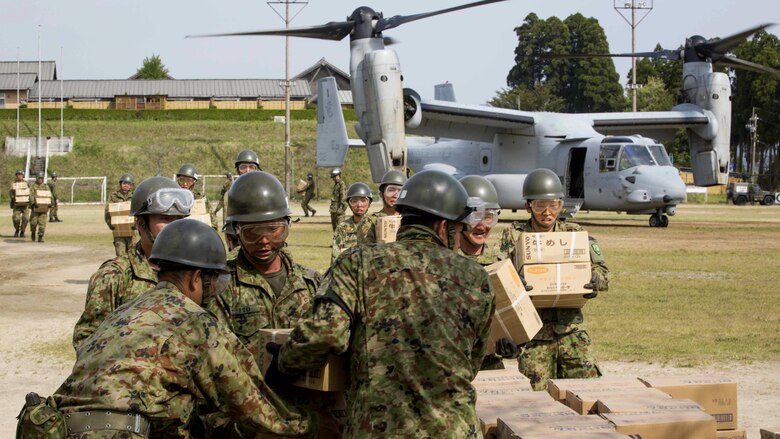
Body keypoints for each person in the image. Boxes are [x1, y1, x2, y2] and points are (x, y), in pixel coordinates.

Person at [269, 169, 495, 437]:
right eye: (459, 230)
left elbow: (325, 333)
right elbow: (471, 363)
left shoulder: (357, 262)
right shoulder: (476, 277)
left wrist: (282, 365)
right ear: (443, 227)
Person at [38, 219, 314, 438]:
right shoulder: (196, 323)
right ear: (197, 278)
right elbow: (252, 406)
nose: (214, 292)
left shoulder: (124, 313)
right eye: (215, 282)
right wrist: (308, 426)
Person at [497, 168, 609, 391]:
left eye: (553, 205)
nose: (547, 212)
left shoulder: (574, 233)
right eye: (539, 205)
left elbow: (602, 270)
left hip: (571, 331)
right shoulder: (515, 234)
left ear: (561, 205)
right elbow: (500, 273)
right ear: (527, 206)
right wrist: (515, 282)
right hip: (534, 334)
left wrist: (596, 279)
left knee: (586, 393)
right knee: (535, 398)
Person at [206, 171, 321, 368]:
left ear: (286, 225)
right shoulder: (222, 285)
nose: (265, 241)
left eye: (273, 230)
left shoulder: (312, 283)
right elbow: (215, 355)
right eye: (253, 233)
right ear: (237, 230)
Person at [72, 176, 193, 350]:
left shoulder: (194, 273)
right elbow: (87, 342)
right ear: (140, 223)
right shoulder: (114, 277)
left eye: (179, 219)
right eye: (165, 219)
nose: (174, 227)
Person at [457, 175, 514, 371]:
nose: (482, 226)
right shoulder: (443, 263)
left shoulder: (502, 265)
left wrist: (514, 345)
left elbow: (513, 317)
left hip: (489, 365)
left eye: (488, 217)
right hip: (451, 364)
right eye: (475, 217)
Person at [356, 169, 407, 244]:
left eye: (400, 191)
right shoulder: (370, 221)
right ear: (381, 194)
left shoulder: (410, 220)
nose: (395, 195)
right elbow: (365, 251)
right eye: (391, 190)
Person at [224, 150, 261, 250]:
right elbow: (228, 220)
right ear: (238, 170)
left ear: (257, 169)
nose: (247, 170)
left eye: (251, 167)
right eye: (243, 167)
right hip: (238, 237)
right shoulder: (232, 192)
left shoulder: (263, 189)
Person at [331, 182, 372, 262]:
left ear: (369, 203)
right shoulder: (342, 228)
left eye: (364, 200)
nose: (359, 205)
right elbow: (336, 258)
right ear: (349, 204)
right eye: (354, 201)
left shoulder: (375, 225)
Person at [176, 163, 218, 230]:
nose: (185, 184)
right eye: (182, 180)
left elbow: (212, 221)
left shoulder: (200, 199)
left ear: (194, 182)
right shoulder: (173, 197)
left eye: (189, 181)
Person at [104, 173, 135, 257]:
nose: (126, 186)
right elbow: (107, 211)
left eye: (128, 184)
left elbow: (138, 212)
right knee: (120, 255)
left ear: (131, 186)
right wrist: (111, 224)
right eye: (124, 183)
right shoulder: (114, 196)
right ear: (120, 184)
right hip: (118, 231)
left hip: (132, 231)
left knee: (133, 255)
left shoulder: (134, 196)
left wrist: (136, 225)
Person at [29, 172, 51, 243]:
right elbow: (31, 195)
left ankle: (40, 236)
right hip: (35, 208)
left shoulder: (46, 186)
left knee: (42, 223)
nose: (40, 180)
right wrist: (33, 203)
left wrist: (50, 203)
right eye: (39, 178)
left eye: (41, 178)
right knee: (33, 222)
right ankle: (33, 232)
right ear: (37, 178)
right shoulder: (33, 186)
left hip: (44, 208)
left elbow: (49, 195)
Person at [9, 169, 30, 238]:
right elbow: (10, 193)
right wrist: (13, 196)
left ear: (23, 175)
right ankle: (17, 229)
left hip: (25, 204)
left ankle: (22, 231)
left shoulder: (26, 183)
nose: (19, 176)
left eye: (20, 174)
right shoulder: (13, 184)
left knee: (26, 218)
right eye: (18, 175)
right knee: (16, 218)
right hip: (16, 204)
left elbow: (30, 192)